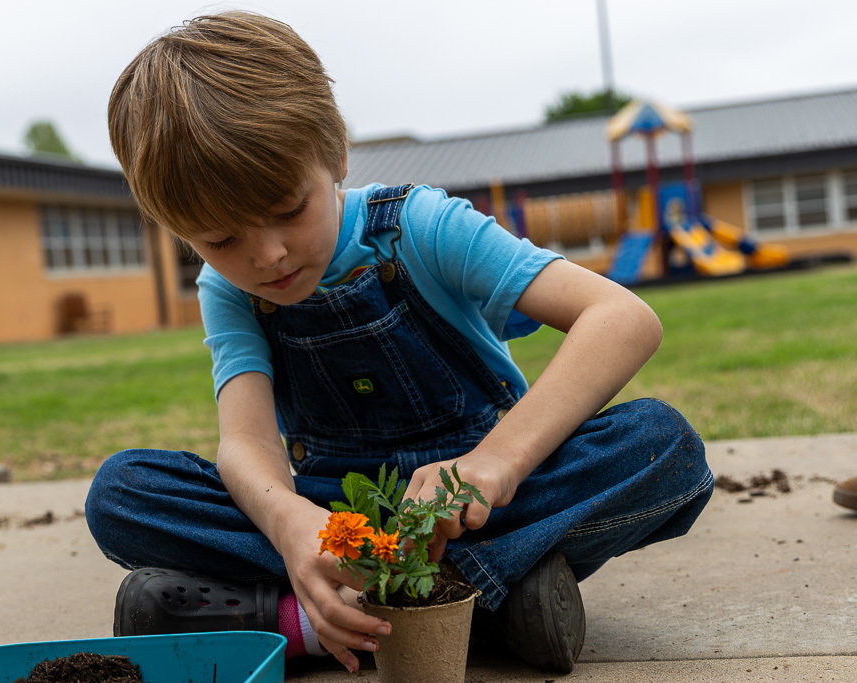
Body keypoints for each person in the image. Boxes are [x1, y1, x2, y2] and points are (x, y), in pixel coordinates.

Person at [85, 11, 714, 675]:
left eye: (287, 210)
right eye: (220, 240)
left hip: (475, 510)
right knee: (123, 491)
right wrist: (294, 526)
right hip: (341, 525)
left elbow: (622, 318)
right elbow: (246, 442)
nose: (267, 254)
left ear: (334, 155)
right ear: (178, 233)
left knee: (661, 445)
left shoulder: (419, 225)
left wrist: (496, 460)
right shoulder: (228, 288)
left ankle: (301, 620)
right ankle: (483, 604)